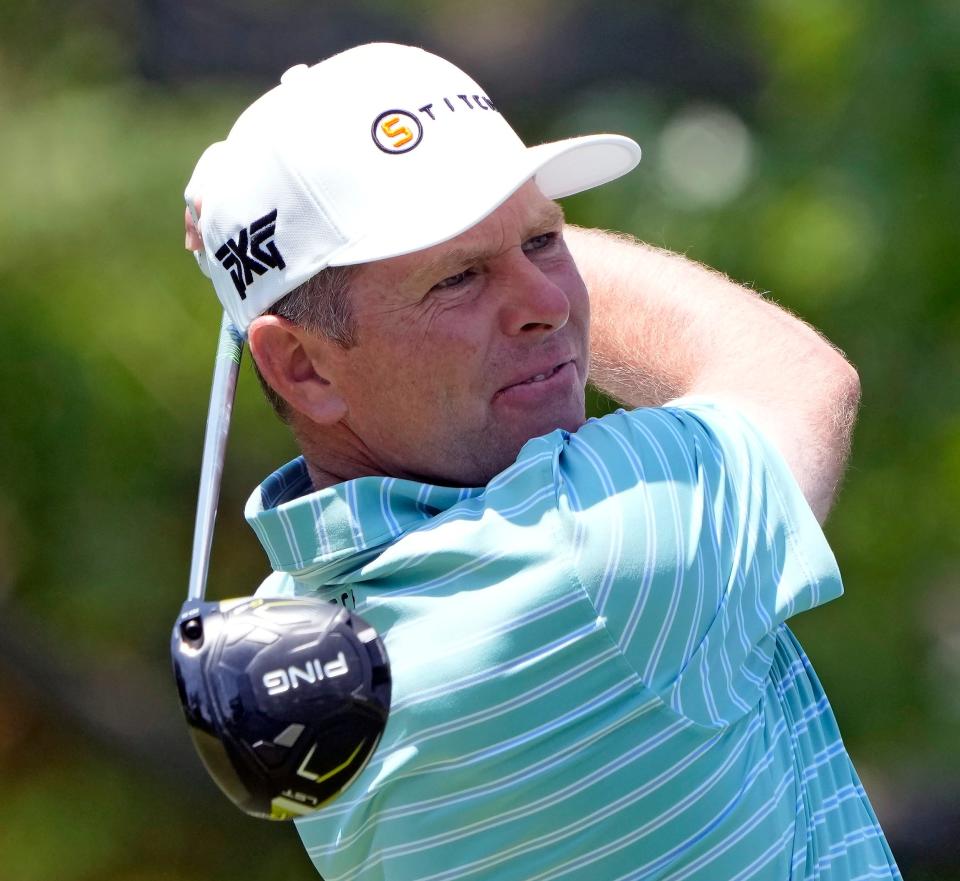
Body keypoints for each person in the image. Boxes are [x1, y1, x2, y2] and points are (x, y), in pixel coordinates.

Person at [184, 42, 900, 881]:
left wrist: (258, 267)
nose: (549, 302)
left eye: (545, 239)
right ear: (303, 367)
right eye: (457, 277)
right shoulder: (594, 553)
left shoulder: (287, 649)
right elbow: (796, 373)